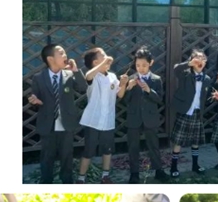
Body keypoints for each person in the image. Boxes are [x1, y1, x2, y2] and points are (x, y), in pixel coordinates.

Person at [28, 44, 87, 184]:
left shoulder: (69, 74)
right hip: (47, 124)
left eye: (65, 52)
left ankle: (67, 181)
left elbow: (83, 87)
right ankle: (46, 182)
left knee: (67, 155)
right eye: (61, 53)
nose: (65, 55)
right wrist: (34, 101)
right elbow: (34, 99)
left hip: (66, 123)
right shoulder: (39, 78)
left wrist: (76, 71)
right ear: (50, 59)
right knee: (47, 156)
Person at [77, 48, 130, 184]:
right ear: (95, 62)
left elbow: (120, 94)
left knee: (107, 150)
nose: (107, 58)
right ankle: (81, 178)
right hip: (92, 121)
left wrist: (123, 84)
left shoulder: (112, 76)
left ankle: (105, 176)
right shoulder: (93, 76)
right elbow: (87, 75)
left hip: (108, 121)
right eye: (103, 56)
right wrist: (104, 62)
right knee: (89, 150)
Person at [171, 49, 218, 177]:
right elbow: (176, 69)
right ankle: (173, 167)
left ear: (205, 62)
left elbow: (207, 96)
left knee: (196, 141)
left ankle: (195, 165)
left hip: (197, 112)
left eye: (203, 59)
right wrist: (188, 63)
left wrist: (215, 96)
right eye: (197, 59)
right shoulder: (185, 74)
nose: (200, 61)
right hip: (185, 111)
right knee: (178, 141)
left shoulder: (207, 78)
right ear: (192, 61)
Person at [124, 46, 168, 184]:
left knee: (153, 145)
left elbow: (159, 99)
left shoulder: (156, 79)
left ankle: (158, 171)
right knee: (133, 146)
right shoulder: (131, 78)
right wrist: (129, 88)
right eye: (138, 65)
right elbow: (125, 100)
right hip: (134, 117)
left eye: (144, 65)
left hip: (150, 117)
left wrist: (149, 90)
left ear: (151, 63)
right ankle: (134, 174)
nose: (141, 68)